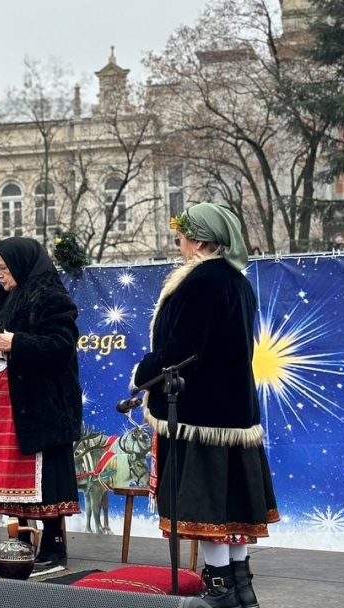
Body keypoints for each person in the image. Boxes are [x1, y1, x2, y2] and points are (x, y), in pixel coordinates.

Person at [132, 203, 279, 608]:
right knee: (232, 501)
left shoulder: (203, 282)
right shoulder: (236, 281)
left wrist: (144, 373)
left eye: (180, 238)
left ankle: (218, 587)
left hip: (201, 410)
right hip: (234, 411)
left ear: (198, 241)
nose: (178, 245)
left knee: (210, 504)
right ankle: (240, 585)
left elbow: (183, 348)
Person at [0, 236, 83, 567]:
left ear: (21, 264)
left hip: (37, 403)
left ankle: (53, 544)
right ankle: (21, 541)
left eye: (4, 268)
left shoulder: (50, 296)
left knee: (40, 475)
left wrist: (18, 342)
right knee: (7, 474)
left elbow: (62, 345)